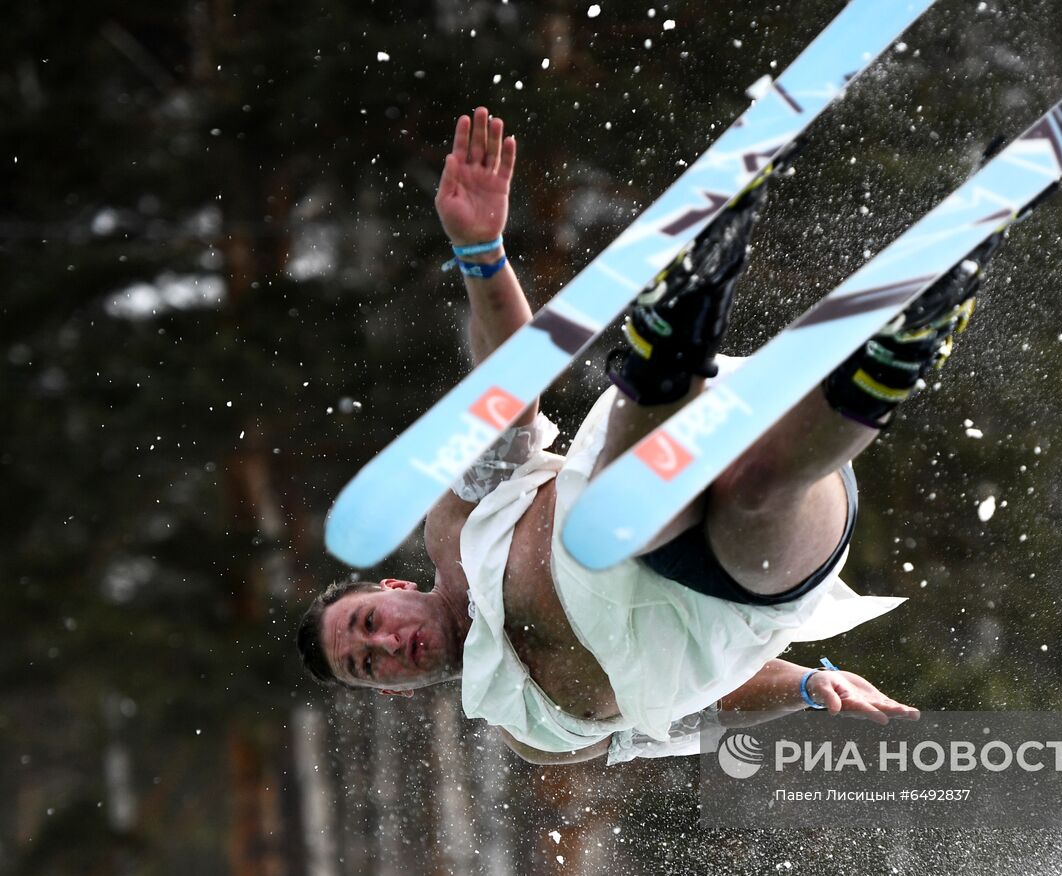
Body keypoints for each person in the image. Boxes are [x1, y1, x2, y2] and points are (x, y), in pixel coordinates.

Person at [298, 107, 1003, 766]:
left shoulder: (453, 524)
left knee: (620, 508)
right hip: (745, 580)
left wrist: (482, 254)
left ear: (389, 586)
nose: (388, 643)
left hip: (664, 452)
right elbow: (694, 712)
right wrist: (807, 688)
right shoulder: (537, 734)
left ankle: (683, 316)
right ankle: (905, 344)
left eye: (367, 623)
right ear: (388, 689)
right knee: (756, 492)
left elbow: (507, 388)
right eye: (370, 663)